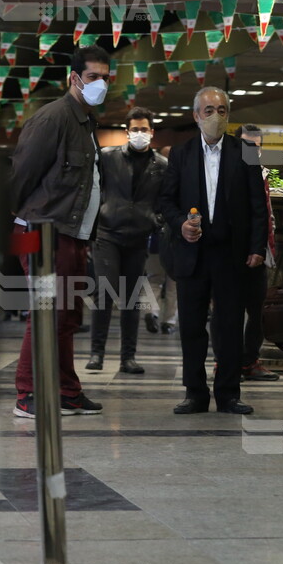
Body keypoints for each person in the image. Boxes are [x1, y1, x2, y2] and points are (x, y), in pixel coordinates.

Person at [7, 46, 111, 419]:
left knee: (66, 316)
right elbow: (22, 173)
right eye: (93, 76)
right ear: (75, 79)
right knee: (47, 312)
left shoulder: (86, 121)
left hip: (72, 234)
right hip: (43, 232)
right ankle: (28, 393)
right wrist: (22, 215)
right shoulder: (53, 119)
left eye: (105, 77)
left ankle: (66, 391)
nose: (100, 83)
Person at [156, 87, 268, 415]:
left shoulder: (245, 151)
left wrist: (257, 247)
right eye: (208, 110)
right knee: (191, 326)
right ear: (196, 116)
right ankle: (195, 393)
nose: (215, 116)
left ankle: (229, 394)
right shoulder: (180, 154)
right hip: (192, 252)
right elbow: (166, 200)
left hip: (231, 253)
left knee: (230, 326)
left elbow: (257, 204)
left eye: (222, 110)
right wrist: (180, 225)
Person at [88, 106, 167, 374]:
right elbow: (92, 189)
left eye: (144, 129)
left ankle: (127, 357)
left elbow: (165, 201)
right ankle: (97, 353)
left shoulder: (161, 165)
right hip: (108, 234)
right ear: (127, 131)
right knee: (104, 292)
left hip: (138, 237)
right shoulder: (108, 157)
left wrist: (156, 221)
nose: (139, 133)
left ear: (152, 131)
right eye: (135, 129)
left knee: (132, 299)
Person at [237, 124, 279, 381]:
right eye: (246, 145)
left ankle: (250, 361)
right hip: (233, 252)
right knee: (227, 311)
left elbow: (266, 212)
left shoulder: (263, 173)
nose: (252, 150)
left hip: (259, 251)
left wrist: (268, 248)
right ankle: (226, 362)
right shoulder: (226, 173)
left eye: (256, 146)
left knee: (259, 310)